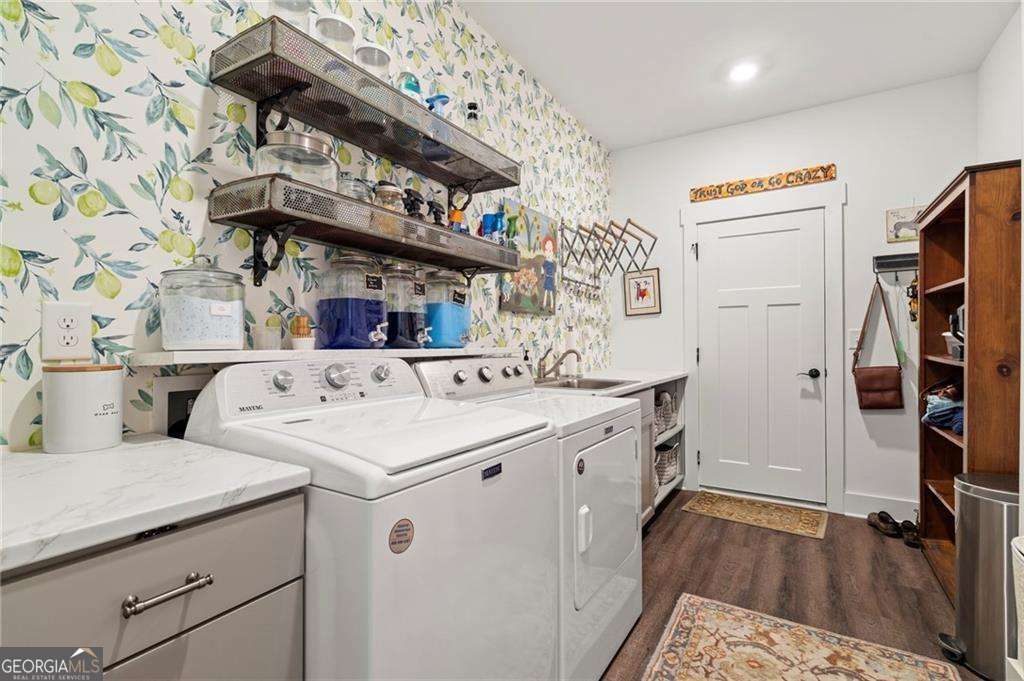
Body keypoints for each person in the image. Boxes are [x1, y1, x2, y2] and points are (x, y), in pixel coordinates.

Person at [541, 235, 556, 310]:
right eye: (547, 250)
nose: (549, 253)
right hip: (547, 277)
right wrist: (542, 273)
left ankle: (552, 306)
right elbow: (542, 267)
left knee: (550, 292)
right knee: (546, 291)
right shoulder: (546, 262)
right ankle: (544, 304)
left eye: (550, 251)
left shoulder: (552, 263)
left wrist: (555, 281)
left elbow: (555, 272)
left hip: (551, 278)